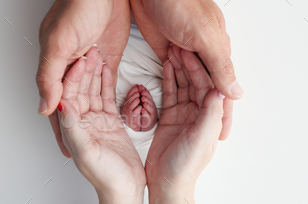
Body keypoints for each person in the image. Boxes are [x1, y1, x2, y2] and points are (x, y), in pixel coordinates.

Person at [36, 0, 242, 158]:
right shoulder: (177, 112)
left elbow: (98, 123)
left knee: (85, 82)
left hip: (105, 46)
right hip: (162, 42)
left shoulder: (103, 118)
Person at [57, 45, 225, 204]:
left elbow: (112, 137)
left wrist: (119, 194)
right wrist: (173, 192)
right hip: (165, 87)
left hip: (109, 101)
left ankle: (135, 125)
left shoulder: (120, 147)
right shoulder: (167, 140)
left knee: (94, 79)